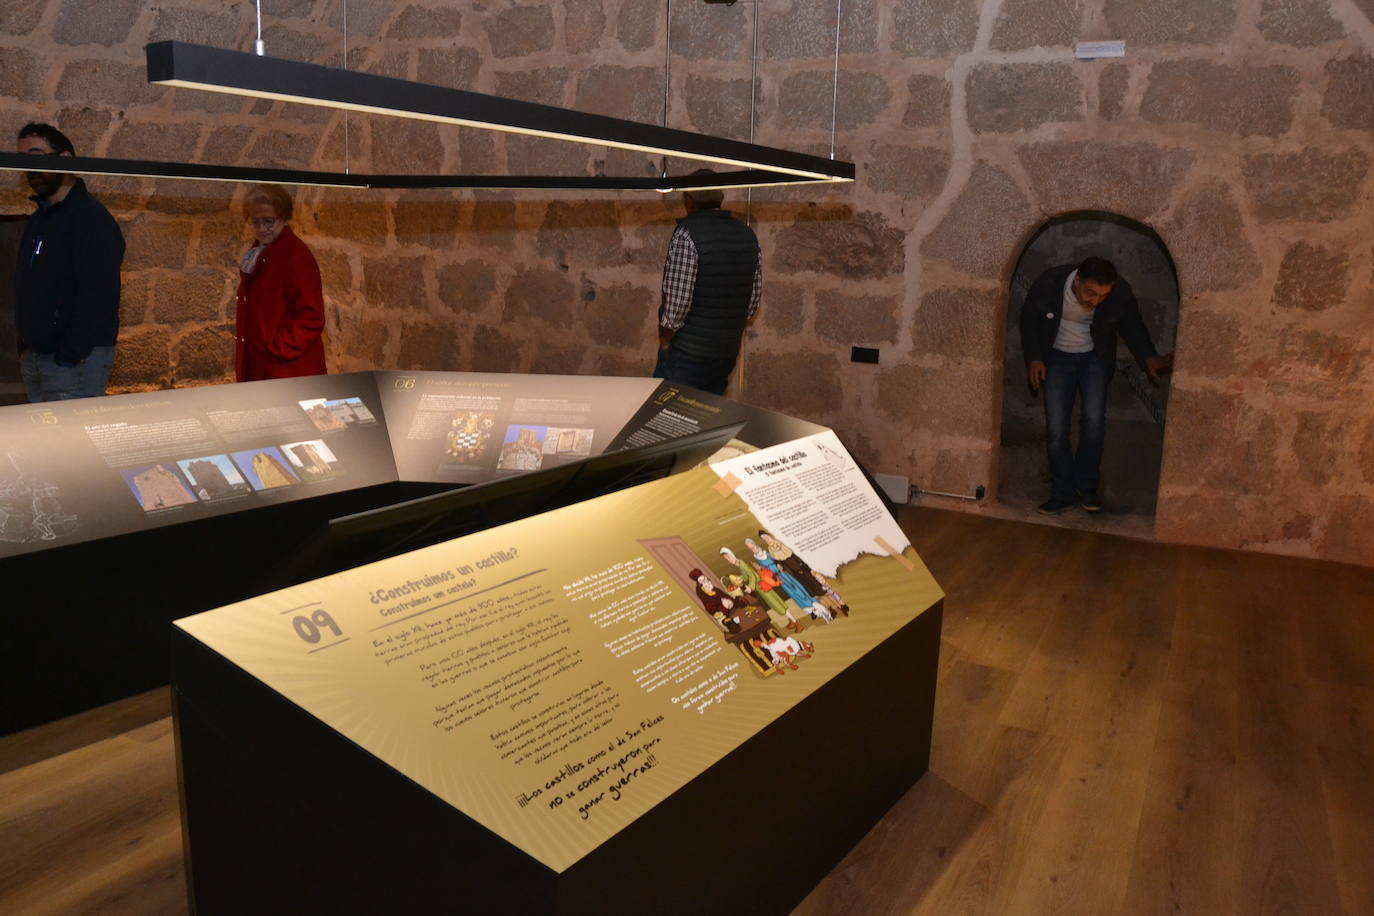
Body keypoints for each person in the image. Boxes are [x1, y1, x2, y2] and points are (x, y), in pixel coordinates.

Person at [1019, 256, 1173, 515]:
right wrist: (1035, 358)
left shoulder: (1119, 292)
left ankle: (1087, 488)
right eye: (1090, 292)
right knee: (1057, 429)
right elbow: (1029, 321)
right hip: (1056, 357)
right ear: (1077, 280)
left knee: (1094, 424)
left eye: (1102, 296)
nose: (1094, 301)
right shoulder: (1050, 283)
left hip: (1094, 358)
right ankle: (1063, 492)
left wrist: (1149, 357)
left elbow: (1132, 324)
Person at [13, 122, 125, 401]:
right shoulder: (41, 218)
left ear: (65, 160)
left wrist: (69, 355)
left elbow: (99, 296)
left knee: (74, 443)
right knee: (46, 444)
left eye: (36, 156)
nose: (30, 168)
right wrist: (27, 347)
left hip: (73, 362)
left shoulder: (90, 218)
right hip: (37, 358)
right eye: (22, 159)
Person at [652, 170, 762, 395]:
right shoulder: (747, 235)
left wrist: (665, 340)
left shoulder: (687, 234)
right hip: (726, 351)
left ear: (689, 201)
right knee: (707, 418)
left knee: (668, 419)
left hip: (688, 353)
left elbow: (677, 304)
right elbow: (751, 304)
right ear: (721, 200)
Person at [235, 184, 326, 381]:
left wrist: (276, 350)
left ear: (283, 218)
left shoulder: (295, 256)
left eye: (268, 221)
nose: (262, 229)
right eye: (256, 222)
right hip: (262, 366)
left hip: (286, 370)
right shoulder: (260, 251)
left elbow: (311, 317)